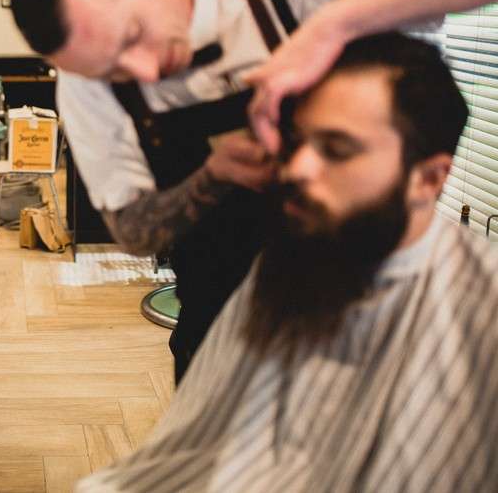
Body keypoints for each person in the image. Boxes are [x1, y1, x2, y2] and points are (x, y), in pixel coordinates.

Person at [9, 0, 498, 381]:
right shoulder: (83, 84)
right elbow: (132, 230)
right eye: (112, 72)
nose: (146, 72)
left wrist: (329, 28)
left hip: (365, 301)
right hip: (223, 321)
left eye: (133, 35)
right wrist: (213, 176)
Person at [77, 33, 498, 492]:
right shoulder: (289, 265)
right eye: (297, 142)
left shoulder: (483, 308)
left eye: (337, 149)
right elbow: (194, 448)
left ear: (429, 179)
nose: (297, 168)